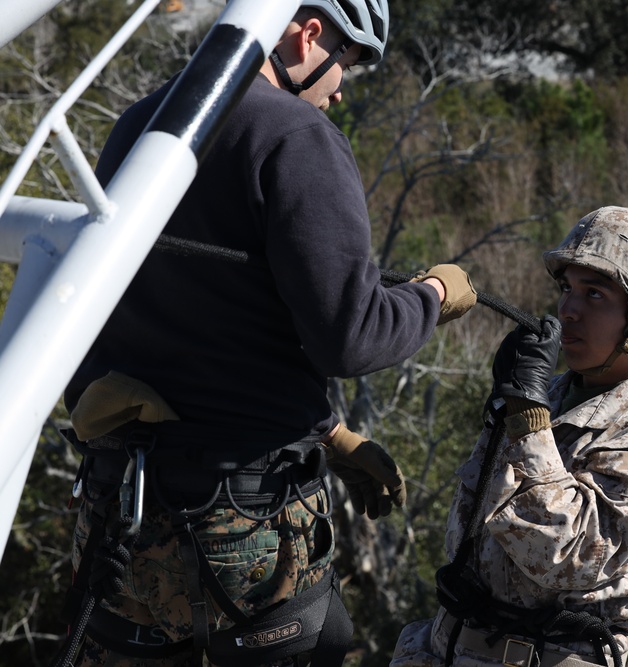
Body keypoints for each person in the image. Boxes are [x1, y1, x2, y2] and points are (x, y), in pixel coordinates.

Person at [57, 1, 476, 666]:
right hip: (240, 529)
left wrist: (331, 435)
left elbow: (190, 321)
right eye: (348, 65)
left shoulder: (142, 121)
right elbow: (352, 335)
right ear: (306, 33)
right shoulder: (294, 135)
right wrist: (432, 294)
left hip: (124, 521)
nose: (340, 91)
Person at [391, 206, 628, 667]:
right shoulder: (546, 395)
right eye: (567, 288)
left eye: (595, 295)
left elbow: (567, 556)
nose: (568, 310)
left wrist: (527, 419)